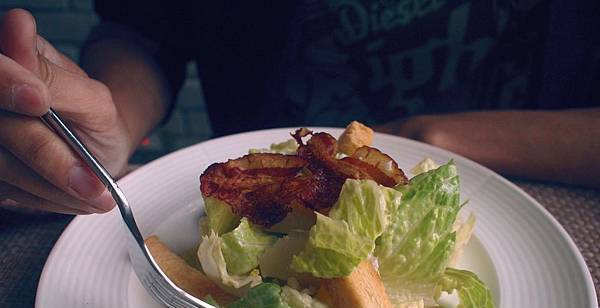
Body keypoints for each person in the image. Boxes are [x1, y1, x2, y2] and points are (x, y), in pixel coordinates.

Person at [0, 1, 598, 215]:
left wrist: (430, 136)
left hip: (548, 190)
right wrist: (111, 120)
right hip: (246, 194)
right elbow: (141, 30)